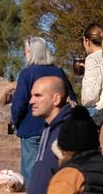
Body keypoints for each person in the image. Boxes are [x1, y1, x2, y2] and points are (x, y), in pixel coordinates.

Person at [11, 37, 74, 180]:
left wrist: (17, 122)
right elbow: (71, 99)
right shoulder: (59, 72)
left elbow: (19, 104)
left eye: (26, 51)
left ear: (32, 53)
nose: (24, 55)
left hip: (31, 128)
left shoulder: (27, 73)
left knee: (31, 172)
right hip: (57, 128)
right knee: (55, 168)